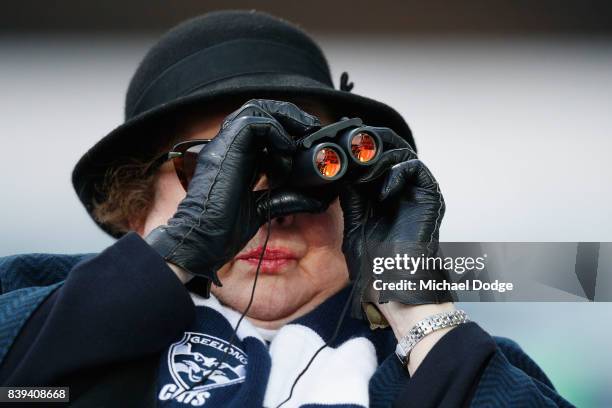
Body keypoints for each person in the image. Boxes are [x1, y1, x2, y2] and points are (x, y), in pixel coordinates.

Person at [0, 10, 573, 408]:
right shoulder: (43, 312)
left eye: (303, 169)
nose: (271, 211)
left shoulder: (462, 362)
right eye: (211, 170)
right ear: (136, 210)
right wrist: (172, 258)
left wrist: (412, 302)